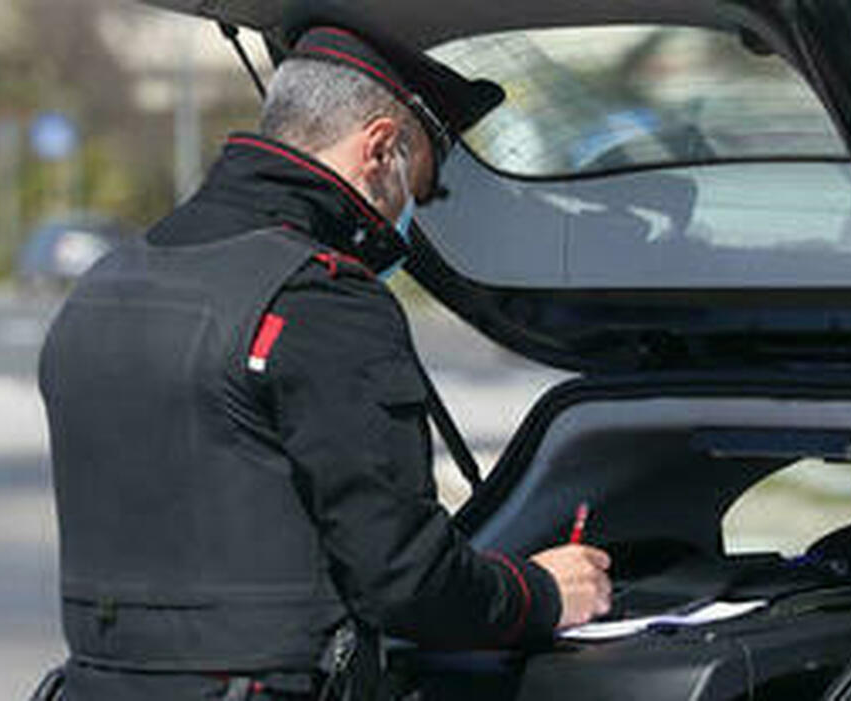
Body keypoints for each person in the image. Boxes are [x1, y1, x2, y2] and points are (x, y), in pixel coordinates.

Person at [37, 7, 612, 700]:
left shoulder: (107, 284)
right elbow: (407, 581)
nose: (412, 212)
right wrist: (544, 592)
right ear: (379, 148)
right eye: (421, 186)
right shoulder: (322, 302)